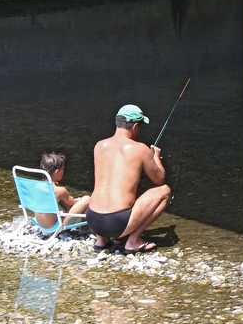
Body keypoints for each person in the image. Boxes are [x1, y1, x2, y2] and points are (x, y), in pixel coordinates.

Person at [86, 104, 170, 253]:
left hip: (93, 220)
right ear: (135, 126)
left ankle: (102, 240)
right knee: (164, 191)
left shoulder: (99, 146)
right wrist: (155, 157)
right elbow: (160, 179)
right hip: (115, 223)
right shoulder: (140, 149)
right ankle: (133, 241)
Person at [35, 152, 91, 230]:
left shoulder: (36, 186)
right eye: (63, 169)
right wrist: (79, 199)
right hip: (55, 228)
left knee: (63, 202)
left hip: (42, 224)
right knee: (87, 199)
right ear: (57, 172)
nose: (63, 172)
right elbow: (72, 203)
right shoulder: (59, 191)